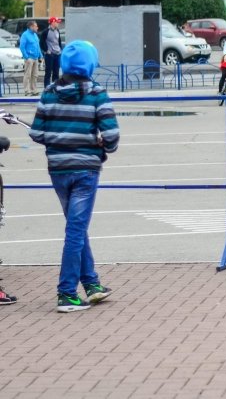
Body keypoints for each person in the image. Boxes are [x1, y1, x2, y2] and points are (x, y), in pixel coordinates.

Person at [28, 41, 120, 312]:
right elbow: (112, 136)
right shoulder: (96, 93)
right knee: (75, 231)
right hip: (86, 170)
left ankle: (91, 284)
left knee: (76, 228)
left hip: (58, 170)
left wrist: (58, 138)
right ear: (91, 64)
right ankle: (66, 293)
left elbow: (36, 133)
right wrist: (104, 146)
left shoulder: (48, 93)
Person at [40, 17, 64, 88]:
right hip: (50, 54)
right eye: (57, 22)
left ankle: (55, 87)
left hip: (57, 54)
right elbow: (41, 42)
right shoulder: (46, 31)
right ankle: (47, 87)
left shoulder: (57, 31)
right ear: (53, 23)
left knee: (56, 72)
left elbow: (58, 41)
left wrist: (60, 49)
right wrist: (46, 50)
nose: (58, 24)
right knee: (48, 72)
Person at [19, 20, 42, 96]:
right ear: (31, 26)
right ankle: (27, 90)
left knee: (35, 75)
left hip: (35, 58)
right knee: (28, 75)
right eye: (36, 26)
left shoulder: (35, 35)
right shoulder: (25, 35)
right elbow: (22, 47)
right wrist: (26, 57)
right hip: (29, 58)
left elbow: (38, 46)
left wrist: (40, 56)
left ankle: (33, 90)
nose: (37, 27)